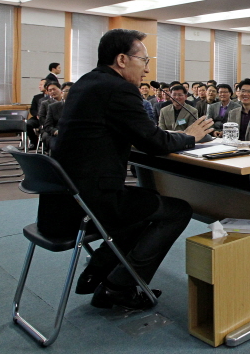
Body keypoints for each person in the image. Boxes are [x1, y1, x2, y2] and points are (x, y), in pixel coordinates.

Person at [43, 28, 213, 311]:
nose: (147, 69)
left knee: (143, 203)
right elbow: (154, 141)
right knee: (178, 210)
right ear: (122, 59)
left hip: (62, 202)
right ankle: (117, 288)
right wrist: (191, 136)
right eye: (144, 60)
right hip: (90, 204)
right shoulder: (119, 89)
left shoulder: (87, 82)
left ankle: (99, 267)